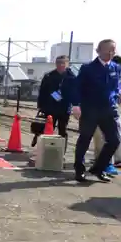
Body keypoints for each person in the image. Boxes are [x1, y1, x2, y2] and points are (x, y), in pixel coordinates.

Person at [71, 39, 121, 183]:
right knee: (84, 139)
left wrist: (118, 93)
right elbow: (77, 87)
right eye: (107, 50)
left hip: (109, 110)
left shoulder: (116, 67)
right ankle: (79, 170)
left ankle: (99, 168)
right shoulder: (87, 68)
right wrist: (76, 105)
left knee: (114, 140)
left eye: (113, 50)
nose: (111, 53)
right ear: (98, 51)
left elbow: (116, 85)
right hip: (90, 109)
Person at [33, 55, 76, 148]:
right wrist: (40, 105)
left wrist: (74, 104)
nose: (60, 65)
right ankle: (44, 147)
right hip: (50, 107)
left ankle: (61, 152)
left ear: (67, 64)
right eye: (58, 63)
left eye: (63, 63)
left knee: (62, 130)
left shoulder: (71, 77)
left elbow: (73, 93)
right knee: (47, 128)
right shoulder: (49, 76)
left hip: (64, 108)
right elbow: (43, 91)